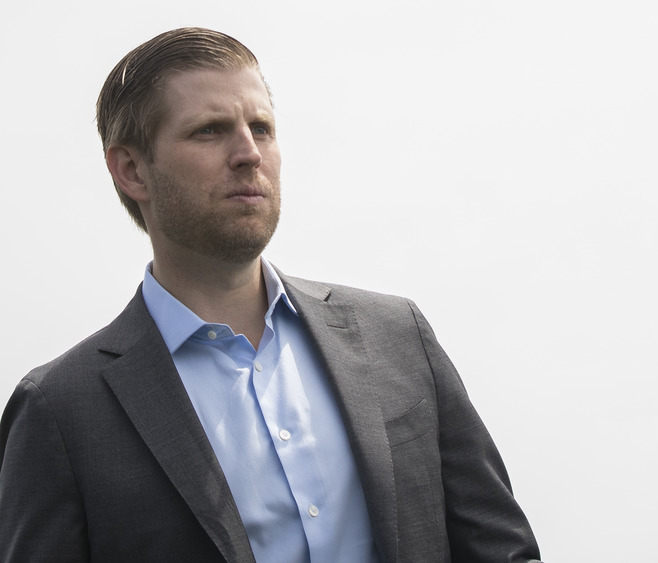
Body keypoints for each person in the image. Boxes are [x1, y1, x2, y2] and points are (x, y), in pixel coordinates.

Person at [0, 27, 540, 563]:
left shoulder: (397, 336)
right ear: (131, 170)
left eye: (261, 127)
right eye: (210, 131)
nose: (249, 153)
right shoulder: (60, 411)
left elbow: (501, 549)